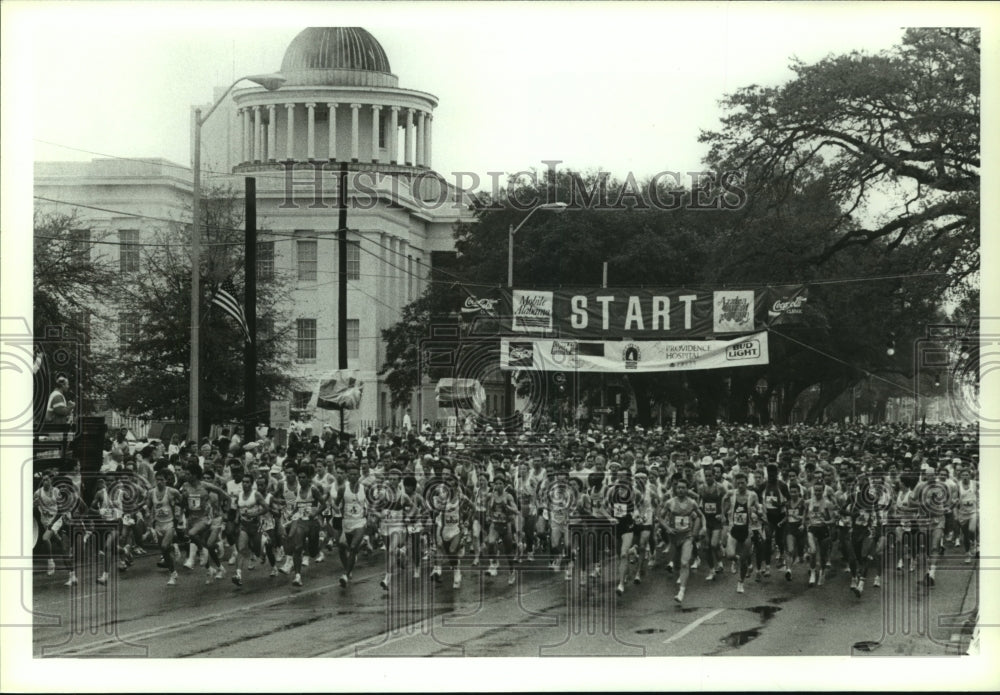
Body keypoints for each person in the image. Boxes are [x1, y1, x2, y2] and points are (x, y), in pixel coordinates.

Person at [661, 477, 701, 603]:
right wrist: (667, 527)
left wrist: (700, 529)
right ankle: (681, 576)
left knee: (685, 563)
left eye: (683, 488)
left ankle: (681, 591)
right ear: (675, 489)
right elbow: (660, 517)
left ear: (687, 490)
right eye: (679, 488)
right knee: (677, 564)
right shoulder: (670, 502)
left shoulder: (692, 503)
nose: (681, 490)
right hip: (674, 537)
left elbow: (701, 516)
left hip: (687, 536)